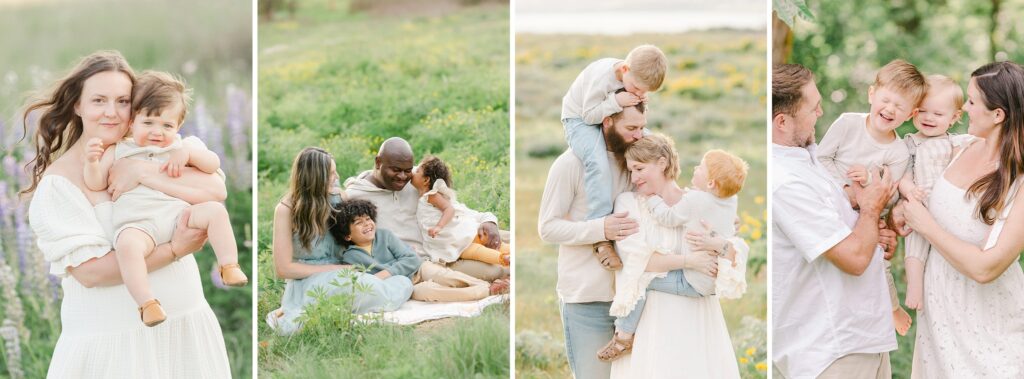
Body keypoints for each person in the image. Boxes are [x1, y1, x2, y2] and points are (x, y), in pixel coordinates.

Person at [24, 50, 231, 377]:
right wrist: (175, 248)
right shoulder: (58, 185)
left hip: (186, 329)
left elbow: (216, 190)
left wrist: (142, 172)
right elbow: (91, 273)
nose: (112, 112)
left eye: (123, 101)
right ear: (77, 105)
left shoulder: (156, 149)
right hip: (117, 350)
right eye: (99, 101)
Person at [83, 70, 247, 327]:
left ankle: (228, 265)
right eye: (148, 123)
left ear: (178, 127)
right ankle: (147, 303)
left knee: (216, 211)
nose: (157, 132)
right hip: (141, 225)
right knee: (127, 246)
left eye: (167, 125)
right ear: (132, 122)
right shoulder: (119, 151)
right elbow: (95, 182)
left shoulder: (181, 146)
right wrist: (92, 161)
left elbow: (213, 164)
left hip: (180, 217)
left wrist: (189, 154)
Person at [771, 63, 900, 379]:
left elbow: (852, 236)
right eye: (813, 108)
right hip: (831, 350)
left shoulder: (809, 161)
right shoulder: (786, 182)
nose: (820, 112)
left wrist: (875, 226)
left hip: (864, 337)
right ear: (782, 122)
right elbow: (854, 259)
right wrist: (871, 209)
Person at [896, 61, 1024, 378]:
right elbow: (920, 190)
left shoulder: (1019, 180)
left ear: (998, 115)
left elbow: (986, 267)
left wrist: (925, 225)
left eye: (971, 102)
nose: (963, 109)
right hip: (940, 317)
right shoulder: (956, 149)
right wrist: (898, 212)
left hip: (988, 325)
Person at [600, 136, 747, 378]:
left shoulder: (699, 201)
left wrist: (720, 244)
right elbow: (636, 262)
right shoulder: (629, 203)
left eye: (639, 169)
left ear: (662, 163)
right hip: (652, 317)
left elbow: (733, 256)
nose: (634, 178)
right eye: (630, 171)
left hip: (696, 314)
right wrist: (689, 262)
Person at [816, 59, 926, 336]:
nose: (890, 109)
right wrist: (846, 189)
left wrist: (867, 185)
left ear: (910, 114)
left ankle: (891, 306)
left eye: (899, 107)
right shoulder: (847, 125)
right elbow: (820, 160)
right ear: (871, 94)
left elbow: (888, 197)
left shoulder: (899, 152)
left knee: (878, 258)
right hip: (831, 203)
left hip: (867, 215)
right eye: (886, 100)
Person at [267, 147, 413, 336]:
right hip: (309, 280)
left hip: (345, 272)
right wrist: (335, 269)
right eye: (331, 174)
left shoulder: (339, 197)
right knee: (364, 291)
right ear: (314, 178)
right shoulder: (286, 209)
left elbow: (356, 236)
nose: (336, 177)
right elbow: (283, 269)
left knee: (391, 284)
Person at [560, 44, 668, 270]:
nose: (639, 94)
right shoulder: (601, 78)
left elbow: (631, 101)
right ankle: (600, 235)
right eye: (637, 88)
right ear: (625, 69)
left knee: (654, 146)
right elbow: (589, 115)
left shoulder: (634, 77)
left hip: (607, 114)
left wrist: (636, 101)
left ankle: (668, 202)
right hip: (579, 119)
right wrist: (617, 103)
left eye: (644, 93)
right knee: (597, 161)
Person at [344, 137, 507, 282]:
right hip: (432, 260)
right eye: (395, 170)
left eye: (407, 171)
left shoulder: (416, 181)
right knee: (495, 269)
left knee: (506, 237)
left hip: (454, 237)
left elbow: (453, 208)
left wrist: (488, 219)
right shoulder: (356, 195)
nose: (402, 177)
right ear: (378, 162)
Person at [332, 199, 507, 302]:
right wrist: (389, 277)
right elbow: (368, 282)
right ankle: (487, 290)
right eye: (359, 223)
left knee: (445, 276)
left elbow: (411, 259)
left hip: (419, 268)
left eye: (368, 219)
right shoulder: (351, 257)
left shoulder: (384, 236)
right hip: (405, 285)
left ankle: (484, 284)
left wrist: (386, 272)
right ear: (347, 235)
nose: (367, 224)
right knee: (431, 292)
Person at [897, 75, 972, 310]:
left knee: (952, 243)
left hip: (948, 205)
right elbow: (904, 174)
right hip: (920, 203)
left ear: (954, 118)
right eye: (922, 111)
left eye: (938, 114)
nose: (928, 118)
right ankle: (914, 287)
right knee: (915, 245)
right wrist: (910, 191)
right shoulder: (909, 143)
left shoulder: (954, 142)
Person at [411, 155, 510, 266]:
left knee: (487, 248)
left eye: (417, 171)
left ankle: (507, 256)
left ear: (426, 180)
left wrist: (439, 226)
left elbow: (449, 209)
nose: (413, 172)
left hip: (460, 236)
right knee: (477, 252)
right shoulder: (427, 197)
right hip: (458, 243)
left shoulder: (431, 196)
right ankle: (504, 258)